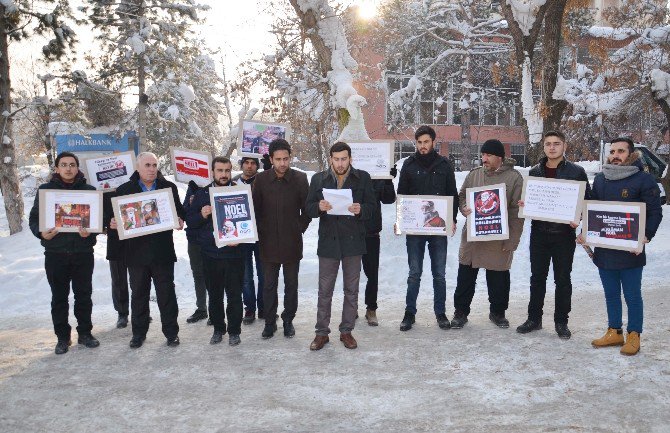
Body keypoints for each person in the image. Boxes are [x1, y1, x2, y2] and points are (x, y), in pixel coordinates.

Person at [579, 137, 662, 356]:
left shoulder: (644, 180)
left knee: (633, 295)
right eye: (613, 151)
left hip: (630, 251)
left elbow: (655, 212)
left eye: (621, 151)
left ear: (631, 154)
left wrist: (646, 235)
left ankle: (634, 334)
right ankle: (614, 331)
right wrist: (585, 230)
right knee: (611, 294)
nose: (616, 155)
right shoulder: (601, 180)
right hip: (605, 250)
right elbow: (593, 210)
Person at [516, 130, 591, 339]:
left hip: (563, 235)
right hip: (539, 233)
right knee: (537, 278)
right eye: (548, 143)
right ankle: (534, 319)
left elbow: (588, 202)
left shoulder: (577, 172)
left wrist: (580, 216)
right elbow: (531, 199)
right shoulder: (534, 172)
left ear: (564, 146)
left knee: (563, 280)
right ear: (544, 147)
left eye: (556, 143)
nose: (552, 147)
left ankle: (561, 321)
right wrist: (526, 204)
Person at [108, 152, 185, 349]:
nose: (152, 169)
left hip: (162, 252)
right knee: (139, 295)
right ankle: (138, 334)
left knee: (166, 295)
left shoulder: (168, 188)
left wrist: (179, 221)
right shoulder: (125, 190)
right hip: (135, 254)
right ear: (137, 168)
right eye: (147, 165)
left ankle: (171, 333)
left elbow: (179, 213)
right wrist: (114, 223)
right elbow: (113, 219)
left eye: (154, 165)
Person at [305, 142, 375, 350]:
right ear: (330, 159)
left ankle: (347, 331)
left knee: (351, 290)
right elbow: (308, 208)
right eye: (336, 159)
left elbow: (372, 208)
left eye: (344, 159)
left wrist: (361, 209)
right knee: (324, 290)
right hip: (328, 242)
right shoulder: (319, 179)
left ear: (350, 159)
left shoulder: (362, 178)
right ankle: (321, 333)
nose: (340, 163)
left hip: (353, 242)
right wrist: (318, 206)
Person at [29, 152, 100, 354]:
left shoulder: (89, 191)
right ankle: (62, 337)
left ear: (77, 168)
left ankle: (85, 333)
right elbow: (34, 220)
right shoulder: (46, 191)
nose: (68, 168)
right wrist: (41, 233)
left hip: (82, 253)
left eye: (72, 164)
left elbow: (96, 222)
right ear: (57, 168)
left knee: (83, 296)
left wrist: (90, 233)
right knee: (59, 297)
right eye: (64, 164)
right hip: (55, 253)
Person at [451, 139, 524, 329]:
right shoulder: (474, 175)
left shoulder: (514, 178)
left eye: (489, 155)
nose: (484, 159)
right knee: (465, 275)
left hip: (499, 237)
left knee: (498, 278)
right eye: (483, 155)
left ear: (499, 157)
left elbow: (517, 212)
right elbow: (461, 196)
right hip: (474, 237)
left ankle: (498, 313)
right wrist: (464, 207)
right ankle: (460, 312)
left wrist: (512, 240)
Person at [396, 125, 458, 332]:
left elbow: (453, 194)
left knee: (439, 273)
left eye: (426, 142)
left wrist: (453, 220)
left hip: (438, 228)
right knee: (414, 272)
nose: (422, 146)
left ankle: (440, 313)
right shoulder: (409, 164)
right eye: (419, 142)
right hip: (415, 229)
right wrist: (400, 219)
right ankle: (409, 313)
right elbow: (401, 195)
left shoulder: (444, 164)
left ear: (433, 142)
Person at [252, 139, 311, 339]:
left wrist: (298, 228)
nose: (283, 163)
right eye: (278, 159)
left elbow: (308, 210)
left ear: (290, 157)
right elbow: (254, 210)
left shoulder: (300, 179)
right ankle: (270, 322)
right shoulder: (260, 181)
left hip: (291, 243)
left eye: (286, 158)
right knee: (268, 285)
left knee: (291, 285)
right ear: (271, 159)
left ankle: (288, 320)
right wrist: (261, 232)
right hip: (267, 244)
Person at [186, 157, 245, 346]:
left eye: (227, 170)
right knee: (215, 295)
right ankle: (219, 329)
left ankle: (235, 331)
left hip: (235, 254)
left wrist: (240, 239)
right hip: (211, 255)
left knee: (235, 295)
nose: (224, 174)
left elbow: (250, 222)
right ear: (212, 172)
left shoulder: (240, 192)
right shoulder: (202, 194)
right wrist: (202, 215)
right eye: (220, 170)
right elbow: (191, 223)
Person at [361, 168, 396, 326]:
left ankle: (371, 308)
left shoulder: (378, 173)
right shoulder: (346, 173)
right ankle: (350, 307)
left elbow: (388, 199)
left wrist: (388, 179)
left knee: (372, 273)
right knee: (350, 272)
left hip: (371, 230)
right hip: (349, 229)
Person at [233, 156, 265, 324]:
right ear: (242, 164)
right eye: (247, 163)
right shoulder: (233, 182)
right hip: (241, 235)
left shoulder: (264, 180)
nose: (250, 166)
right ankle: (250, 308)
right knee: (245, 275)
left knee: (264, 273)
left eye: (253, 163)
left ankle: (264, 307)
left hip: (261, 234)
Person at [182, 181, 209, 324]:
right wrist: (191, 204)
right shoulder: (192, 186)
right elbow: (184, 211)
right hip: (195, 239)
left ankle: (216, 309)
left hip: (212, 238)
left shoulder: (217, 185)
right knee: (198, 273)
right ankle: (201, 308)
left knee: (216, 274)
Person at [103, 191, 129, 329]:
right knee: (118, 278)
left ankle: (141, 310)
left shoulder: (136, 182)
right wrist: (108, 222)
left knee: (140, 278)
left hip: (137, 238)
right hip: (115, 239)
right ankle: (122, 312)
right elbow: (98, 214)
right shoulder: (102, 188)